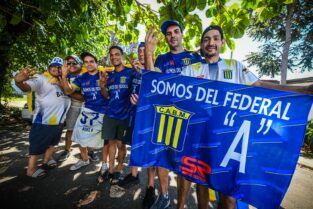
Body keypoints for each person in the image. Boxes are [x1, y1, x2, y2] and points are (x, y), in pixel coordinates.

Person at [146, 24, 313, 209]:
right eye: (207, 39)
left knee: (229, 197)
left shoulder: (235, 66)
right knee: (202, 187)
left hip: (229, 142)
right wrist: (149, 57)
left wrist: (303, 90)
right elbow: (163, 88)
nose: (211, 42)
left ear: (222, 42)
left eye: (216, 38)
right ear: (201, 44)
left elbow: (260, 85)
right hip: (201, 139)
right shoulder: (191, 70)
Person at [145, 20, 207, 209]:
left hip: (192, 120)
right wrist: (149, 52)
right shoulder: (162, 59)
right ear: (165, 38)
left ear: (182, 34)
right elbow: (151, 81)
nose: (172, 35)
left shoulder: (195, 57)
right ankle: (164, 196)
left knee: (188, 165)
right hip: (168, 116)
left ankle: (184, 203)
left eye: (175, 31)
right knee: (164, 158)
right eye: (168, 33)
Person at [14, 57, 71, 178]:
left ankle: (46, 160)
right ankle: (31, 170)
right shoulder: (41, 78)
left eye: (59, 67)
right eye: (53, 66)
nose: (56, 68)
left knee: (52, 144)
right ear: (48, 68)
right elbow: (27, 87)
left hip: (59, 122)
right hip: (43, 121)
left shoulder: (62, 82)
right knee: (36, 146)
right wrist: (19, 82)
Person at [109, 42, 147, 198]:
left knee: (139, 143)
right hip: (131, 112)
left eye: (145, 51)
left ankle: (136, 176)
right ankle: (133, 173)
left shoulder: (153, 69)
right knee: (133, 142)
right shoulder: (134, 71)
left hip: (144, 112)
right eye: (139, 51)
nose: (142, 54)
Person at [60, 52, 107, 171]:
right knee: (79, 136)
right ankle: (85, 159)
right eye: (86, 62)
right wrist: (64, 76)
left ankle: (105, 165)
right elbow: (69, 91)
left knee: (106, 141)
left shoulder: (105, 74)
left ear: (97, 63)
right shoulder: (81, 77)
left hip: (103, 112)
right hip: (87, 110)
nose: (89, 64)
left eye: (91, 61)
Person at [100, 46, 136, 187]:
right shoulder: (109, 76)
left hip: (125, 114)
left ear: (121, 56)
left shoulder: (131, 72)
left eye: (117, 54)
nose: (114, 57)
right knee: (111, 143)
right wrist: (103, 86)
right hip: (110, 114)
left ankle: (119, 168)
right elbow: (107, 96)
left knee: (121, 144)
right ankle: (110, 169)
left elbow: (142, 82)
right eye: (112, 55)